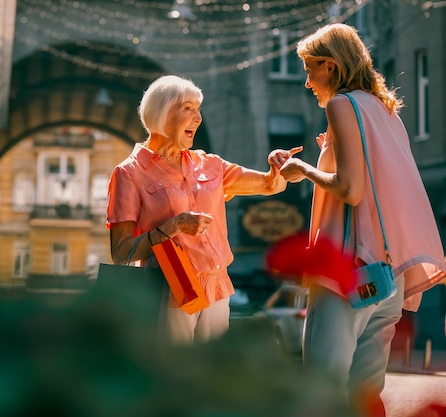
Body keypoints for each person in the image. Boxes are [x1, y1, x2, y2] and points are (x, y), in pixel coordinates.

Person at [279, 23, 446, 416]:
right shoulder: (386, 111)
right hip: (388, 275)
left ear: (331, 67)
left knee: (322, 388)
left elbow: (350, 190)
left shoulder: (342, 104)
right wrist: (328, 150)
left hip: (347, 273)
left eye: (309, 70)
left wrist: (302, 167)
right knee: (366, 395)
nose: (307, 82)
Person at [106, 74, 301, 346]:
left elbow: (269, 185)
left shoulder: (209, 164)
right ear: (162, 112)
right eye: (187, 109)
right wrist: (172, 226)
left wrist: (277, 166)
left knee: (214, 378)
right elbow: (121, 252)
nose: (197, 118)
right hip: (169, 290)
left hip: (217, 288)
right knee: (174, 375)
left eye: (198, 110)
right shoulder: (129, 173)